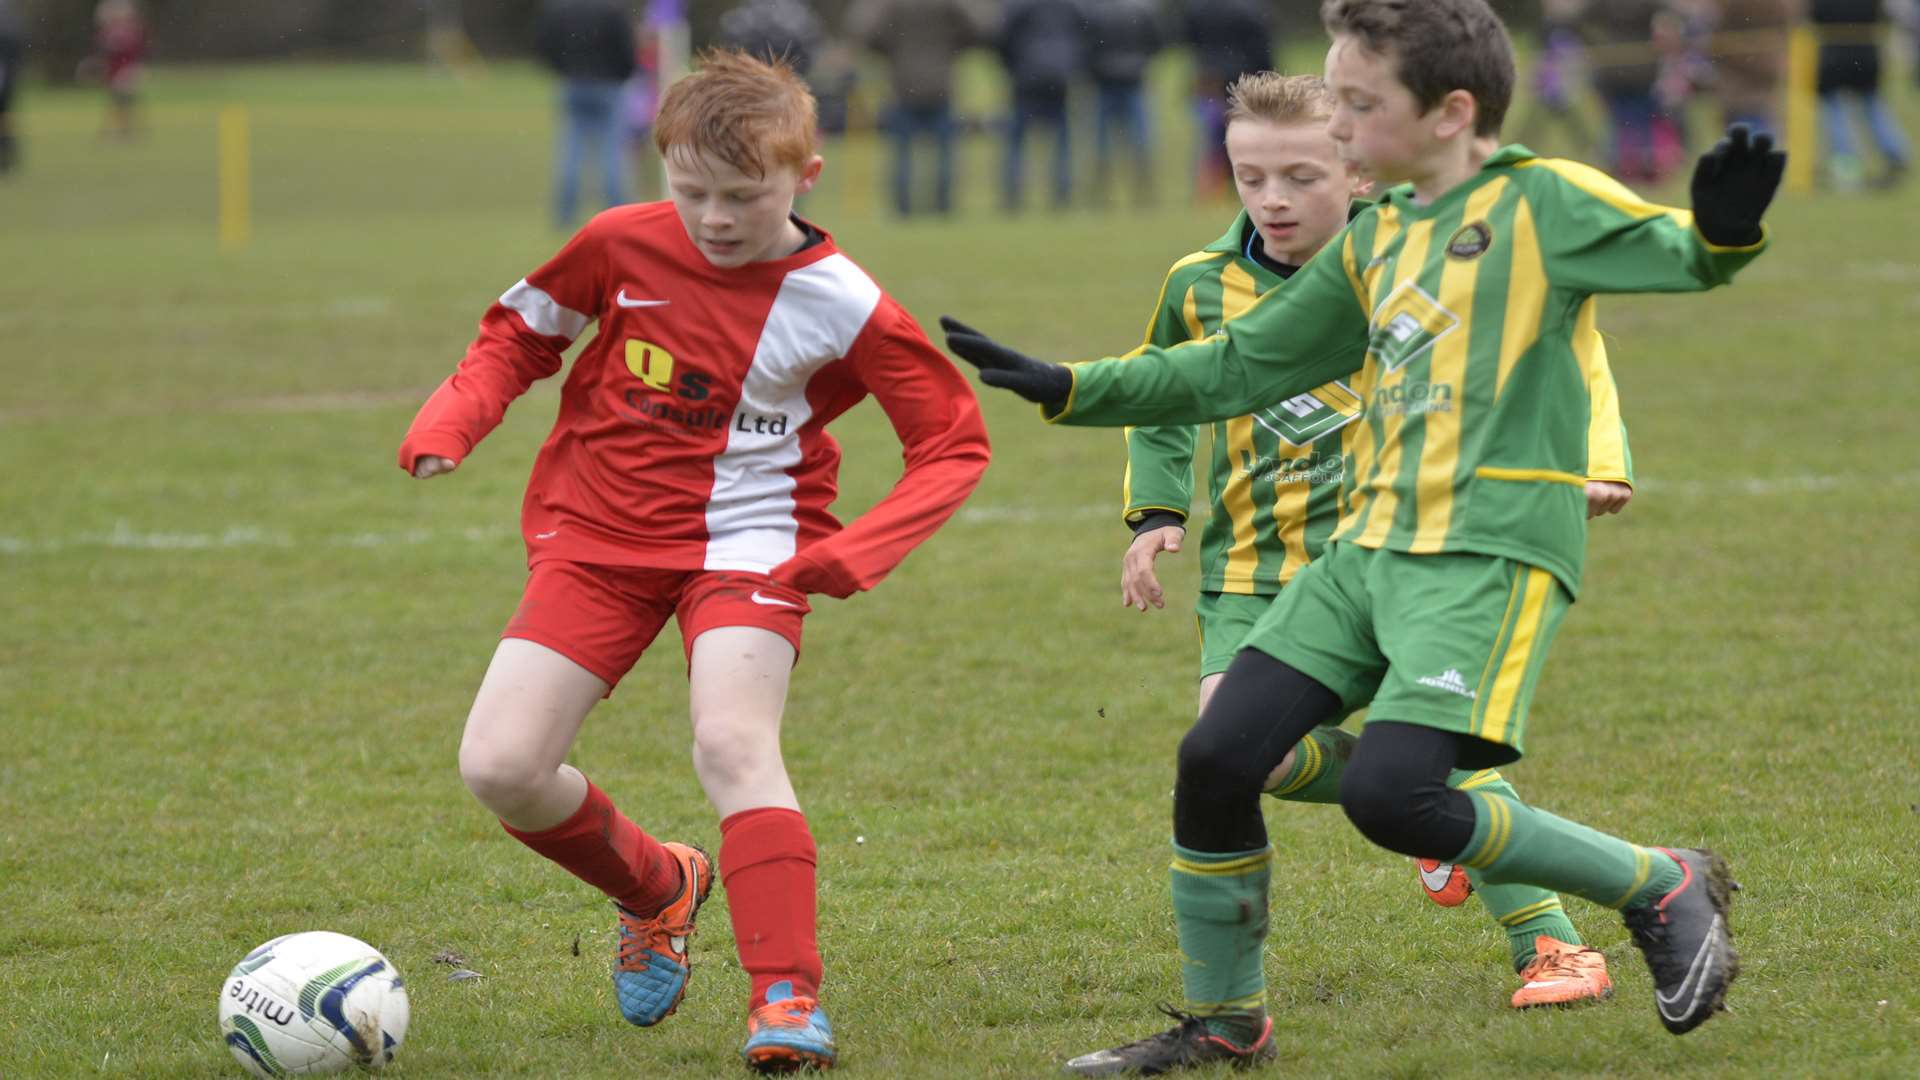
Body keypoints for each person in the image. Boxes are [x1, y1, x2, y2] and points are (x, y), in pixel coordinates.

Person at [942, 0, 1784, 1069]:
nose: (1336, 125)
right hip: (1365, 555)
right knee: (1218, 755)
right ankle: (1226, 1023)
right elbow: (1239, 364)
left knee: (1396, 795)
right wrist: (1072, 385)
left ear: (1448, 113)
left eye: (1357, 103)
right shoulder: (1380, 235)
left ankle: (1655, 881)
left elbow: (1686, 259)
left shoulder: (1541, 204)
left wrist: (1722, 230)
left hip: (1481, 555)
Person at [398, 49, 990, 1073]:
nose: (714, 218)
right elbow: (520, 334)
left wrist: (859, 551)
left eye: (743, 196)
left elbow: (953, 440)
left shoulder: (842, 302)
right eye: (691, 191)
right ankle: (658, 887)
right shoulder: (619, 243)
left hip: (754, 543)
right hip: (598, 538)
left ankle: (786, 999)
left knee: (729, 742)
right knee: (501, 766)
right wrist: (454, 415)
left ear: (805, 175)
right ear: (662, 165)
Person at [1119, 69, 1629, 1017]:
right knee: (1243, 755)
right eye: (1249, 176)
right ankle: (1425, 820)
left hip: (1404, 556)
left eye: (1300, 176)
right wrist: (1157, 515)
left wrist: (1593, 458)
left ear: (1355, 171)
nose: (1271, 199)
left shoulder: (1417, 261)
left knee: (1436, 749)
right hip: (1253, 572)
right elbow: (1163, 396)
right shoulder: (1198, 286)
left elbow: (1554, 344)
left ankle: (1552, 940)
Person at [846, 0, 995, 216]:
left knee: (902, 152)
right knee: (945, 151)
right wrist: (955, 45)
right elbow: (978, 28)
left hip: (903, 83)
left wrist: (891, 50)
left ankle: (902, 208)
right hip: (941, 83)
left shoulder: (892, 5)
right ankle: (944, 206)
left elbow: (869, 35)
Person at [534, 0, 636, 227]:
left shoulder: (560, 9)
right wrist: (622, 75)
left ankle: (565, 214)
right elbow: (627, 50)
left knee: (571, 152)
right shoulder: (613, 10)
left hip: (573, 83)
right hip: (609, 85)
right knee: (613, 153)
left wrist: (563, 70)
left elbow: (544, 45)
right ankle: (618, 212)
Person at [998, 0, 1087, 211]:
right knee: (1062, 141)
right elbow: (1084, 36)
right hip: (1058, 77)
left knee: (1016, 142)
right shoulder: (1069, 6)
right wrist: (1071, 65)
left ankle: (1013, 195)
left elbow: (1002, 39)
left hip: (1025, 78)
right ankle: (1061, 194)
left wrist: (1012, 68)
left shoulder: (1017, 7)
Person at [1811, 0, 1910, 189]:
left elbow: (1811, 17)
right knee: (1872, 106)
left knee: (1835, 111)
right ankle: (1896, 153)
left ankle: (1846, 166)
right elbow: (1890, 17)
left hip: (1832, 55)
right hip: (1866, 54)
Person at [1183, 0, 1274, 200]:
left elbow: (1191, 40)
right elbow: (1262, 49)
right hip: (1244, 81)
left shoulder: (1197, 7)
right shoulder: (1251, 8)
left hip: (1209, 80)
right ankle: (1247, 182)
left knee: (1210, 138)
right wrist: (1268, 78)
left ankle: (1208, 188)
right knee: (1246, 135)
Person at [1083, 0, 1165, 208]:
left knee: (1102, 144)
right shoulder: (1143, 8)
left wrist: (1096, 68)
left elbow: (1087, 44)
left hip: (1105, 80)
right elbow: (1157, 41)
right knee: (1141, 142)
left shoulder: (1094, 10)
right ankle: (1144, 192)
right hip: (1134, 79)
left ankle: (1100, 194)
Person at [92, 0, 147, 141]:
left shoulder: (130, 31)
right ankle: (121, 131)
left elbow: (133, 51)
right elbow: (105, 54)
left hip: (126, 71)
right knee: (118, 103)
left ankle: (127, 131)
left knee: (124, 102)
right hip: (114, 72)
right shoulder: (107, 32)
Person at [0, 0, 23, 174]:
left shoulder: (7, 22)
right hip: (8, 77)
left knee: (5, 117)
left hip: (6, 78)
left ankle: (6, 157)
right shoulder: (10, 18)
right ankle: (7, 157)